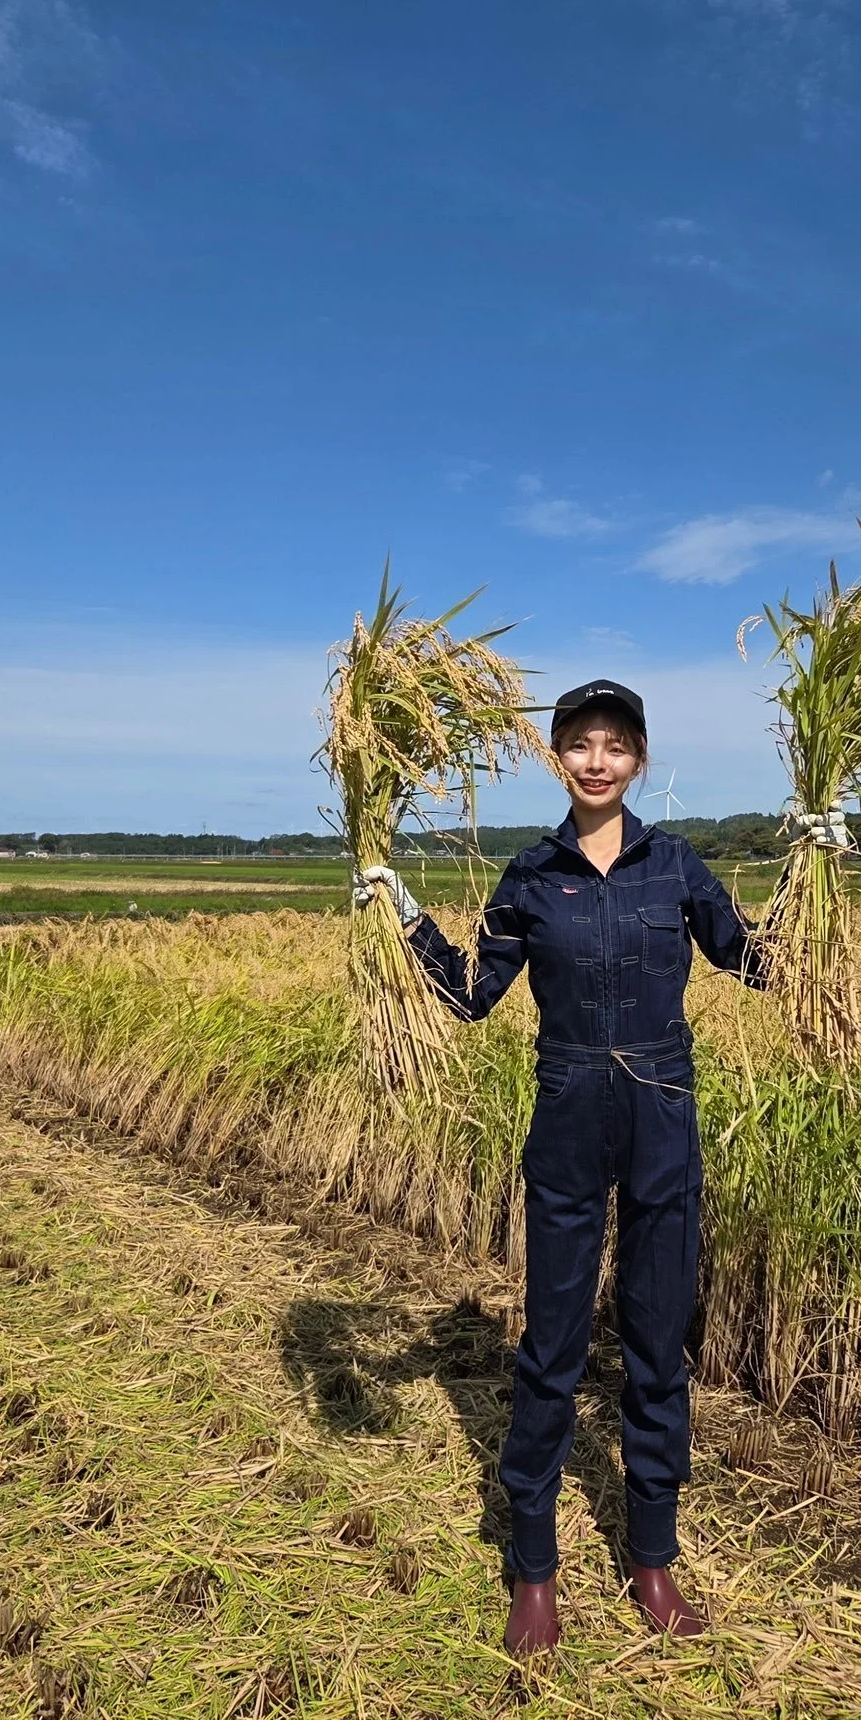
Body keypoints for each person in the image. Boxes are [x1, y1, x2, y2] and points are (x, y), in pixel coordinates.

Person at [354, 677, 770, 1656]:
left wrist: (814, 869)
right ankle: (534, 1567)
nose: (596, 758)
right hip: (569, 1113)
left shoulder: (678, 866)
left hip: (664, 1111)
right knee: (550, 1342)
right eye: (578, 743)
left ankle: (653, 1557)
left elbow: (755, 961)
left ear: (640, 759)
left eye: (615, 744)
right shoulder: (531, 875)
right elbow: (469, 993)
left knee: (659, 1339)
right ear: (558, 757)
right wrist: (401, 907)